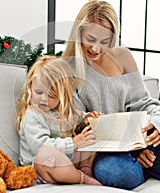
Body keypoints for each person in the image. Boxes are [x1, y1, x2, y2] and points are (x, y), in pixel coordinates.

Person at [61, 0, 160, 191]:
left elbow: (146, 104)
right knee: (120, 174)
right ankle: (144, 164)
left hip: (140, 142)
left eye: (105, 41)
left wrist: (157, 126)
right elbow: (72, 123)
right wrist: (87, 120)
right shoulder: (67, 69)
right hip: (102, 151)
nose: (95, 49)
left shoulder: (122, 57)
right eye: (90, 39)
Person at [17, 55, 102, 185]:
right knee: (46, 155)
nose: (44, 99)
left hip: (68, 164)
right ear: (30, 89)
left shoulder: (62, 112)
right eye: (39, 92)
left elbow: (78, 117)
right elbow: (40, 147)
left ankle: (86, 169)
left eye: (52, 96)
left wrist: (88, 118)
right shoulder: (32, 115)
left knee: (89, 134)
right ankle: (81, 179)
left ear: (62, 95)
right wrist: (73, 143)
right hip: (40, 169)